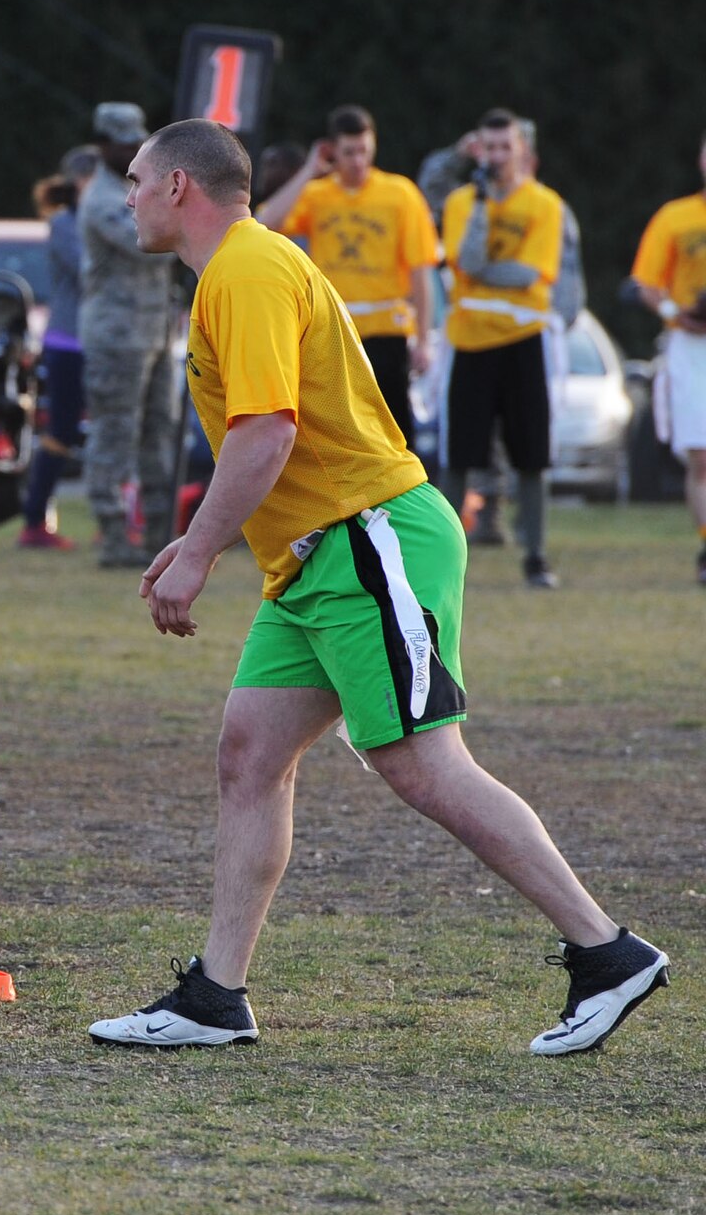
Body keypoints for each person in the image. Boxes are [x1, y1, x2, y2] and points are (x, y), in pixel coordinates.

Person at [84, 118, 667, 1055]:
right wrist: (210, 541)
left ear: (182, 187)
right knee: (249, 752)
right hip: (316, 559)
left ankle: (607, 951)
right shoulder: (234, 271)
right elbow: (271, 438)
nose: (128, 194)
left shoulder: (248, 269)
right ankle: (215, 997)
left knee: (423, 763)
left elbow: (265, 431)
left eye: (137, 177)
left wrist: (197, 550)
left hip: (367, 538)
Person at [256, 105, 439, 450]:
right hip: (333, 331)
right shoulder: (318, 194)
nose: (357, 161)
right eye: (349, 152)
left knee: (393, 434)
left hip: (386, 329)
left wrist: (424, 339)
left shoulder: (399, 193)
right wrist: (310, 170)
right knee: (337, 434)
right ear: (332, 151)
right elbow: (265, 223)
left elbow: (420, 270)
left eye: (364, 151)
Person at [438, 110, 564, 589]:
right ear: (478, 151)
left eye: (504, 148)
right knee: (460, 454)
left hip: (522, 341)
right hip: (470, 341)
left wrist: (487, 271)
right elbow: (466, 261)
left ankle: (535, 555)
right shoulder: (461, 203)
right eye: (488, 148)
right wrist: (482, 206)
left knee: (531, 455)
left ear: (521, 151)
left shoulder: (545, 205)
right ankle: (444, 556)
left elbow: (529, 273)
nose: (496, 157)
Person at [78, 101, 180, 569]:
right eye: (124, 143)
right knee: (115, 434)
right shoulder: (101, 199)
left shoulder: (140, 190)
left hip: (155, 332)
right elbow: (150, 246)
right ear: (102, 146)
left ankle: (160, 532)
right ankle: (115, 533)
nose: (133, 150)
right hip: (116, 337)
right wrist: (193, 227)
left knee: (159, 433)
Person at [628, 130, 706, 584]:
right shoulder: (676, 216)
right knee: (700, 455)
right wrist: (681, 312)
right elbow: (647, 282)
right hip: (691, 344)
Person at [18, 145, 101, 550]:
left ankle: (113, 520)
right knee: (62, 430)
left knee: (111, 430)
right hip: (69, 342)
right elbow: (92, 271)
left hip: (100, 341)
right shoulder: (66, 224)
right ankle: (33, 520)